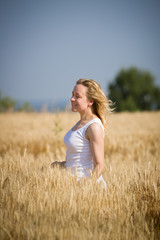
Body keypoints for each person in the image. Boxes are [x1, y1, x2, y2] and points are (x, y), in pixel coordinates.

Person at [51, 79, 111, 190]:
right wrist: (60, 165)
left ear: (90, 101)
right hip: (74, 187)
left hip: (88, 189)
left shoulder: (94, 127)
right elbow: (79, 160)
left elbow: (99, 165)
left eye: (77, 96)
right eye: (72, 95)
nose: (72, 99)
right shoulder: (80, 123)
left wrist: (87, 188)